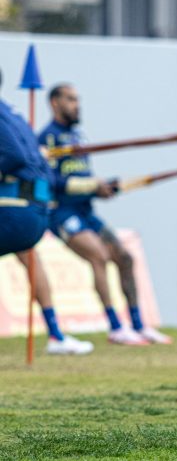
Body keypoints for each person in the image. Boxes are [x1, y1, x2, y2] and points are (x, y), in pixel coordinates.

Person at [39, 84, 171, 346]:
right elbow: (53, 182)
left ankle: (138, 324)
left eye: (78, 99)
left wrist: (103, 190)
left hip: (86, 211)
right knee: (98, 256)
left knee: (125, 257)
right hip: (62, 214)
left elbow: (84, 178)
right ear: (55, 102)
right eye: (70, 99)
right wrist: (93, 186)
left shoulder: (78, 136)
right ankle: (116, 327)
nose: (77, 105)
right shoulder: (47, 139)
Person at [0, 69, 93, 354]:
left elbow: (13, 156)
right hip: (35, 213)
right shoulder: (13, 114)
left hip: (16, 210)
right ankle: (55, 334)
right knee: (30, 257)